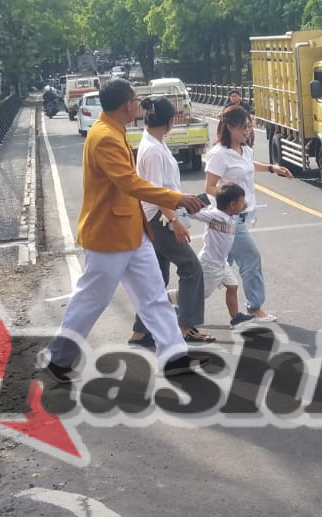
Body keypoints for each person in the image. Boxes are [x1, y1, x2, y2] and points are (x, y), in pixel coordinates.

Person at [43, 79, 211, 382]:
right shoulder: (105, 135)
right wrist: (175, 199)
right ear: (126, 105)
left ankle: (173, 356)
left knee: (154, 296)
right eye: (135, 99)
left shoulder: (112, 130)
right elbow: (129, 183)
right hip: (109, 235)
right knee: (92, 298)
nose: (138, 105)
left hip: (133, 232)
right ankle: (58, 358)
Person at [125, 97, 213, 350]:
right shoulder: (152, 150)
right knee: (190, 268)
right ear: (170, 120)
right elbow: (154, 191)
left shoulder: (154, 143)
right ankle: (186, 326)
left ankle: (140, 333)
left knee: (158, 278)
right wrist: (174, 221)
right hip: (159, 217)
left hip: (159, 215)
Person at [203, 105, 293, 327]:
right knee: (251, 259)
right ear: (230, 127)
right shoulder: (218, 155)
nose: (248, 131)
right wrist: (230, 203)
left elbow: (248, 165)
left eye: (250, 126)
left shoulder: (245, 149)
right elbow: (210, 187)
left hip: (240, 218)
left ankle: (178, 300)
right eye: (244, 127)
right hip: (228, 220)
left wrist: (272, 168)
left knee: (213, 273)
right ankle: (255, 308)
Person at [183, 182, 252, 329]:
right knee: (200, 294)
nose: (244, 205)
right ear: (232, 204)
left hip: (222, 262)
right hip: (209, 263)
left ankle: (235, 318)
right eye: (241, 201)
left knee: (232, 286)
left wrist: (241, 202)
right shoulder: (214, 215)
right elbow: (193, 213)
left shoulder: (233, 215)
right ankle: (168, 301)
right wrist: (189, 204)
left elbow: (244, 206)